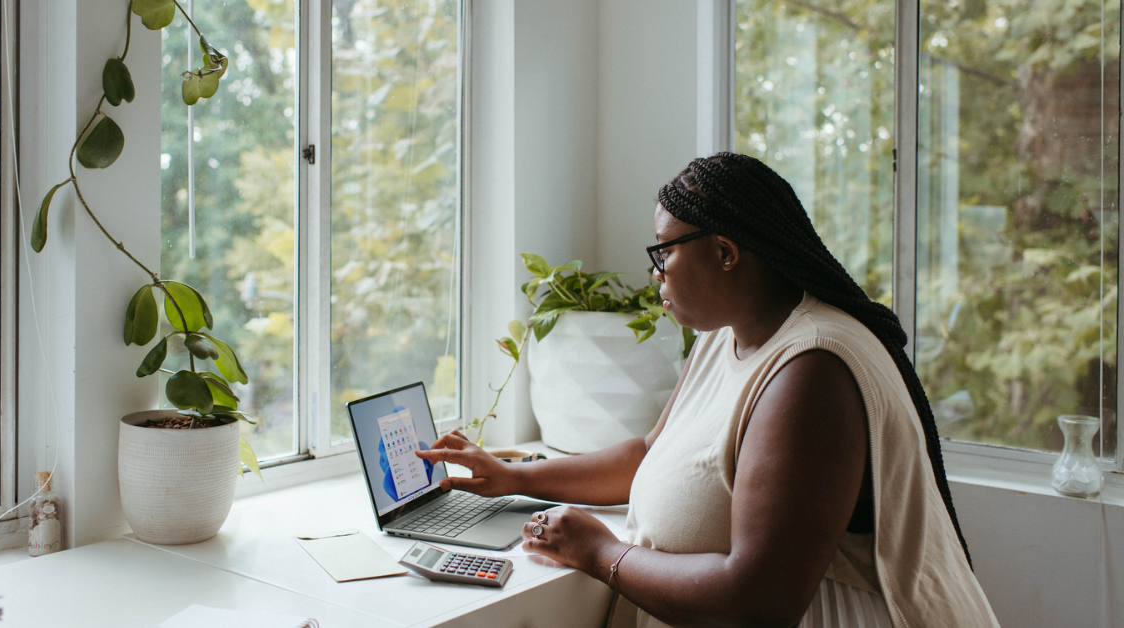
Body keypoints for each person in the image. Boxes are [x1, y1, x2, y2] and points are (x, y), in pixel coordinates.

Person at [416, 152, 999, 628]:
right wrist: (514, 477)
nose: (656, 271)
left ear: (724, 252)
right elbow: (650, 453)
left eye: (665, 250)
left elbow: (758, 602)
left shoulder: (812, 371)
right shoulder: (727, 335)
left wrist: (600, 552)